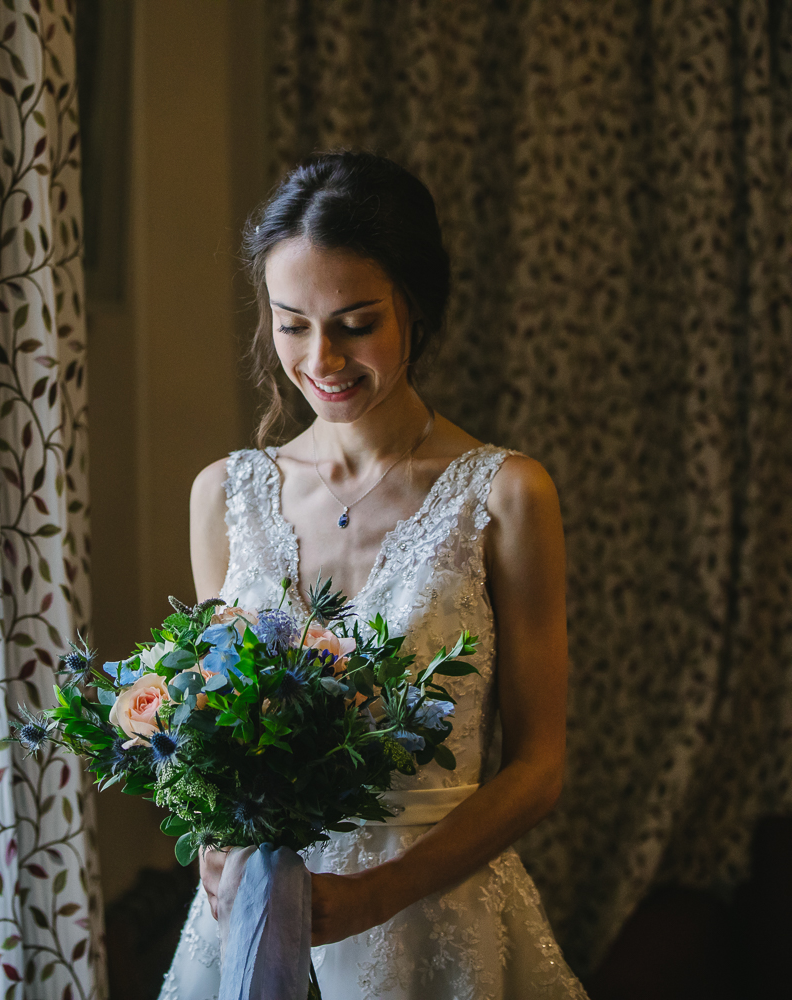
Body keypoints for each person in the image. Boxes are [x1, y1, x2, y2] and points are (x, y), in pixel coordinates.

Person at [158, 152, 588, 999]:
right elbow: (208, 724)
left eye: (356, 322)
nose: (322, 358)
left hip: (436, 929)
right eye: (292, 323)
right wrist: (213, 835)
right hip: (250, 920)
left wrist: (377, 895)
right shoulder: (225, 495)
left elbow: (539, 766)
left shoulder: (505, 495)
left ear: (415, 310)